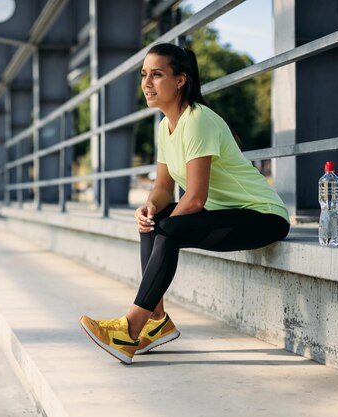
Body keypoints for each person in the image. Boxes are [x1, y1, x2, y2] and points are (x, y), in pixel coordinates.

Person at [79, 43, 290, 365]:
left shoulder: (198, 120)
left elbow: (194, 198)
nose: (147, 83)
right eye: (144, 75)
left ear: (180, 80)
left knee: (168, 225)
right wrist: (149, 206)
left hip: (261, 216)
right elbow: (163, 187)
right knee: (155, 217)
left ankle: (130, 328)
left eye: (157, 75)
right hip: (223, 215)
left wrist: (167, 226)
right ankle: (156, 322)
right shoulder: (166, 126)